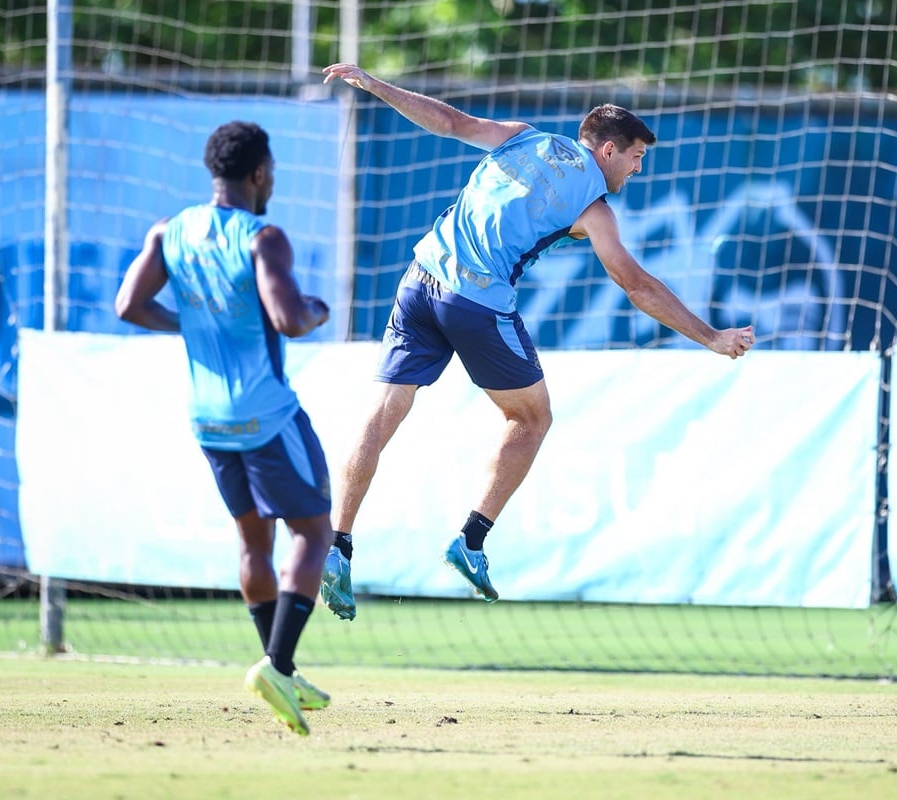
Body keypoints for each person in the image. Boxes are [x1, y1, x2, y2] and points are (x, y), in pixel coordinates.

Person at [319, 63, 756, 619]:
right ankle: (471, 539)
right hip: (474, 301)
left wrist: (376, 85)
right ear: (607, 151)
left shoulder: (524, 138)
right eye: (636, 157)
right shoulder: (593, 206)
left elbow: (450, 123)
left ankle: (336, 544)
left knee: (384, 411)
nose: (638, 170)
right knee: (532, 418)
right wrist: (710, 336)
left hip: (420, 278)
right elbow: (636, 284)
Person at [114, 121, 334, 737]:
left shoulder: (170, 231)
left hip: (207, 419)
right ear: (260, 174)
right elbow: (289, 320)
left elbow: (127, 305)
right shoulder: (264, 237)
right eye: (274, 174)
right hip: (266, 414)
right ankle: (278, 664)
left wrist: (189, 326)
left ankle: (281, 673)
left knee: (251, 544)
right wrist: (316, 310)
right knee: (314, 532)